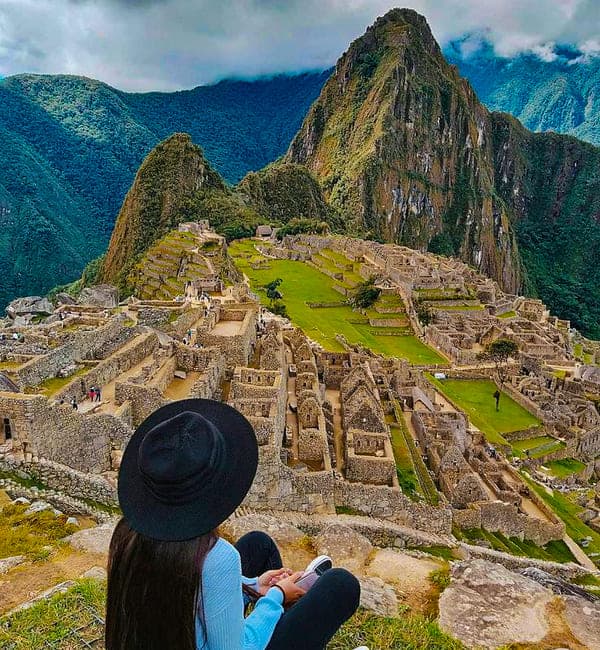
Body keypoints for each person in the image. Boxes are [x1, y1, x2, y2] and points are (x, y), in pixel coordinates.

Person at [106, 399, 360, 650]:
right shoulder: (217, 558)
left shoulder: (128, 535)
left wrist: (251, 586)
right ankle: (292, 619)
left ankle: (291, 617)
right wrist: (275, 597)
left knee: (258, 544)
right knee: (341, 585)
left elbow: (186, 591)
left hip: (178, 635)